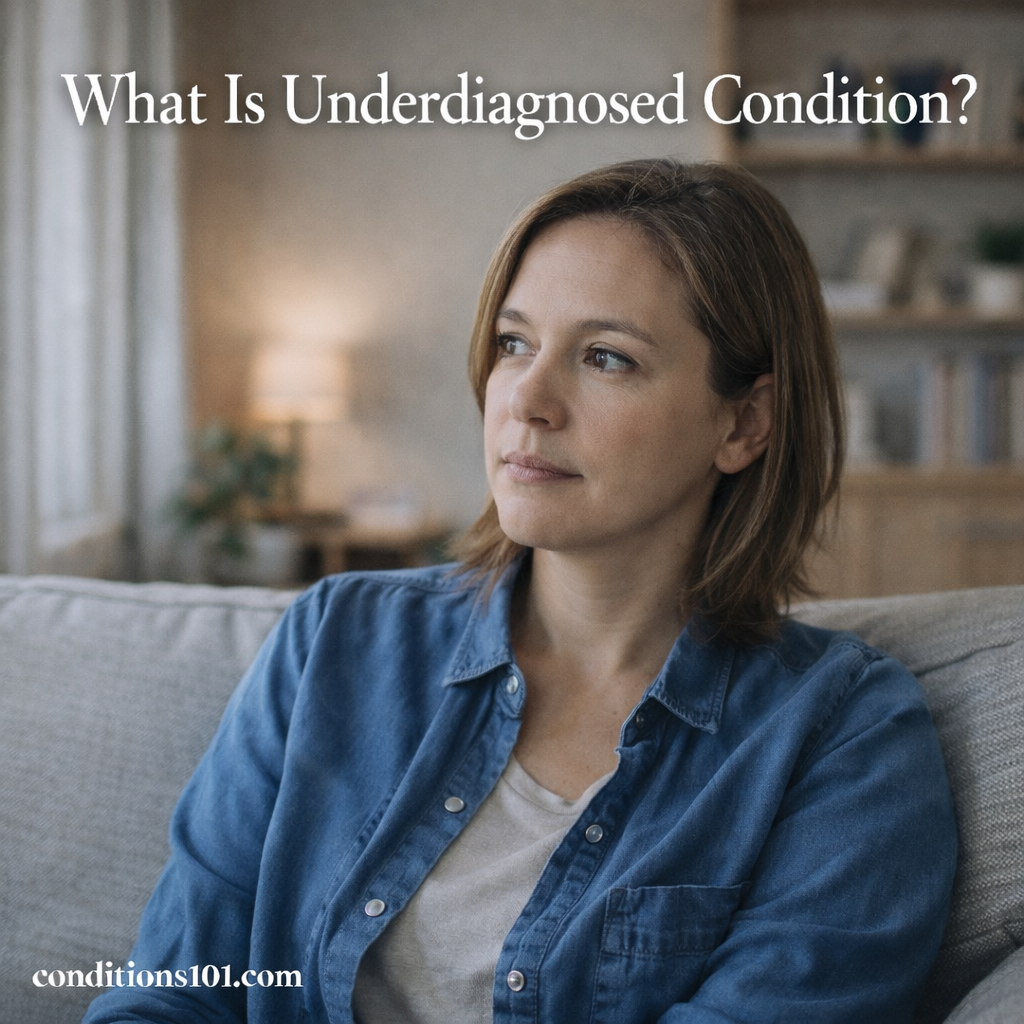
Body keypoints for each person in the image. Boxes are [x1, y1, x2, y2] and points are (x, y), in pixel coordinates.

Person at [83, 159, 956, 1024]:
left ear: (744, 423)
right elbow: (173, 994)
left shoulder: (844, 732)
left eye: (606, 358)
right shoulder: (334, 640)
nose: (527, 401)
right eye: (513, 344)